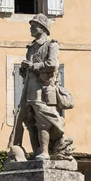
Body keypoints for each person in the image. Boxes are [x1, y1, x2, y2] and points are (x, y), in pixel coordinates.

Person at [9, 13, 73, 160]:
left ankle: (45, 152)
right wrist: (24, 69)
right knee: (30, 121)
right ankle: (37, 151)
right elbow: (27, 71)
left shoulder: (52, 45)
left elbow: (52, 64)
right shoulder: (31, 48)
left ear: (43, 28)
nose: (31, 28)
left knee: (43, 121)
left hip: (43, 90)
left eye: (34, 26)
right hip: (29, 90)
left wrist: (33, 65)